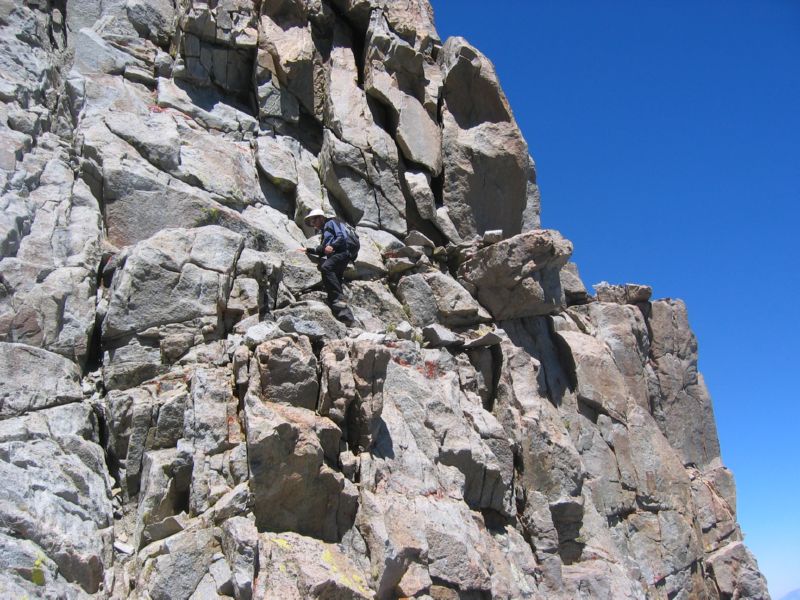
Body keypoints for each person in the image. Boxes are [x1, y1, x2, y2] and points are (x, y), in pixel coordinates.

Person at [299, 208, 355, 325]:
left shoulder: (331, 223)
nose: (313, 224)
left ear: (320, 218)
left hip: (342, 253)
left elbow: (341, 236)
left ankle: (339, 300)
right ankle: (346, 318)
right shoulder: (325, 232)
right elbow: (323, 250)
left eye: (314, 221)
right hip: (338, 256)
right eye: (311, 223)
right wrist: (308, 250)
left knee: (326, 268)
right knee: (336, 281)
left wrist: (333, 246)